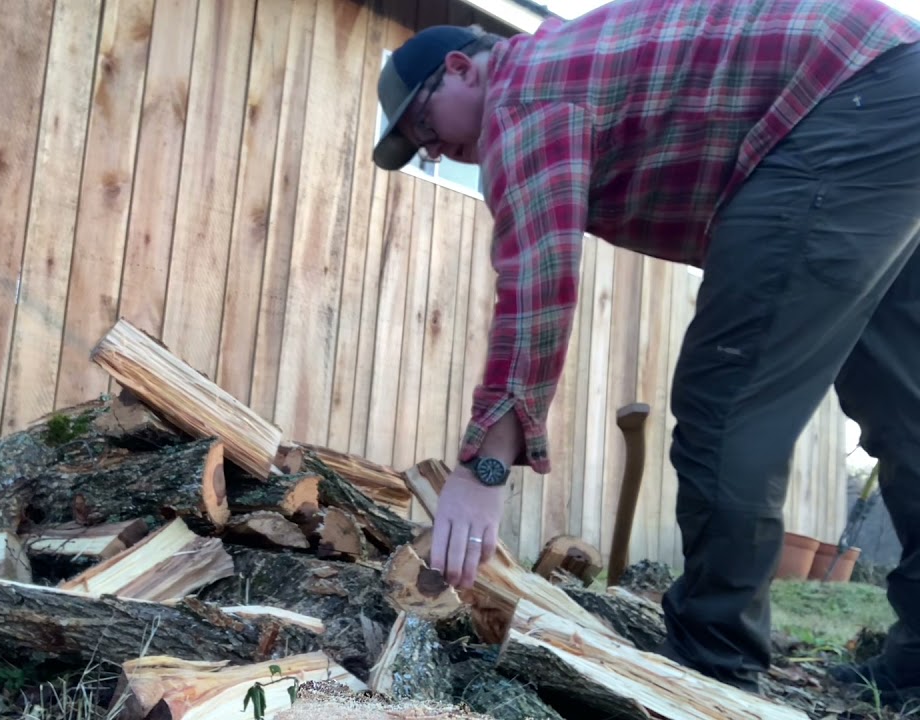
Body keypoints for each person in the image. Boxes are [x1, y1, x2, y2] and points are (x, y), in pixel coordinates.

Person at [371, 0, 920, 705]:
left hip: (842, 97)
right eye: (422, 151)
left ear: (460, 69)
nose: (435, 151)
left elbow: (538, 283)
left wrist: (483, 468)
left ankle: (711, 673)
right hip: (887, 86)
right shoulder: (561, 73)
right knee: (903, 404)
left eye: (423, 126)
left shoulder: (521, 92)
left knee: (726, 399)